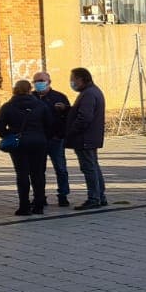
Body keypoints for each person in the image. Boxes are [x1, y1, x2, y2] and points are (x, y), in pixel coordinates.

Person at [0, 80, 49, 216]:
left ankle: (24, 206)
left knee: (22, 174)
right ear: (30, 89)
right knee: (37, 173)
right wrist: (42, 135)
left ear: (15, 90)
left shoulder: (8, 106)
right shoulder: (40, 105)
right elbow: (50, 123)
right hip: (38, 142)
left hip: (19, 143)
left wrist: (9, 136)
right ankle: (39, 205)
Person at [64, 67, 107, 210]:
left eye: (73, 79)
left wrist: (71, 131)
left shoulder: (88, 94)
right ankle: (100, 196)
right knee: (93, 166)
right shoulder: (91, 91)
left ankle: (94, 198)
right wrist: (67, 109)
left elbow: (85, 117)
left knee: (89, 168)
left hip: (85, 138)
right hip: (89, 137)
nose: (71, 82)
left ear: (81, 79)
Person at [31, 71, 73, 207]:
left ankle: (63, 195)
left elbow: (69, 116)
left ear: (49, 82)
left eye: (41, 80)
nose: (39, 83)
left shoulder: (59, 97)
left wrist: (65, 109)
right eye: (36, 81)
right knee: (38, 170)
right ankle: (39, 196)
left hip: (55, 138)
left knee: (60, 168)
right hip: (38, 140)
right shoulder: (31, 98)